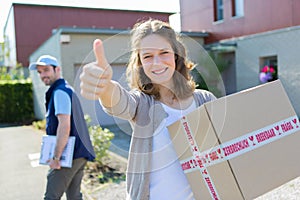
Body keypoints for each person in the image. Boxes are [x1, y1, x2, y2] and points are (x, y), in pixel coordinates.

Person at [80, 19, 216, 200]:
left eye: (164, 53)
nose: (157, 62)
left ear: (176, 55)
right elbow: (121, 103)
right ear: (140, 63)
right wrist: (105, 88)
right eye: (148, 56)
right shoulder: (142, 104)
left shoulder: (204, 100)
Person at [29, 55, 95, 200]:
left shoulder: (59, 92)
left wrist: (56, 157)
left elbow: (64, 126)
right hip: (79, 153)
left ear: (57, 69)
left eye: (46, 70)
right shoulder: (67, 89)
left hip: (69, 156)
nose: (42, 75)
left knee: (51, 197)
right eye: (39, 72)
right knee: (74, 197)